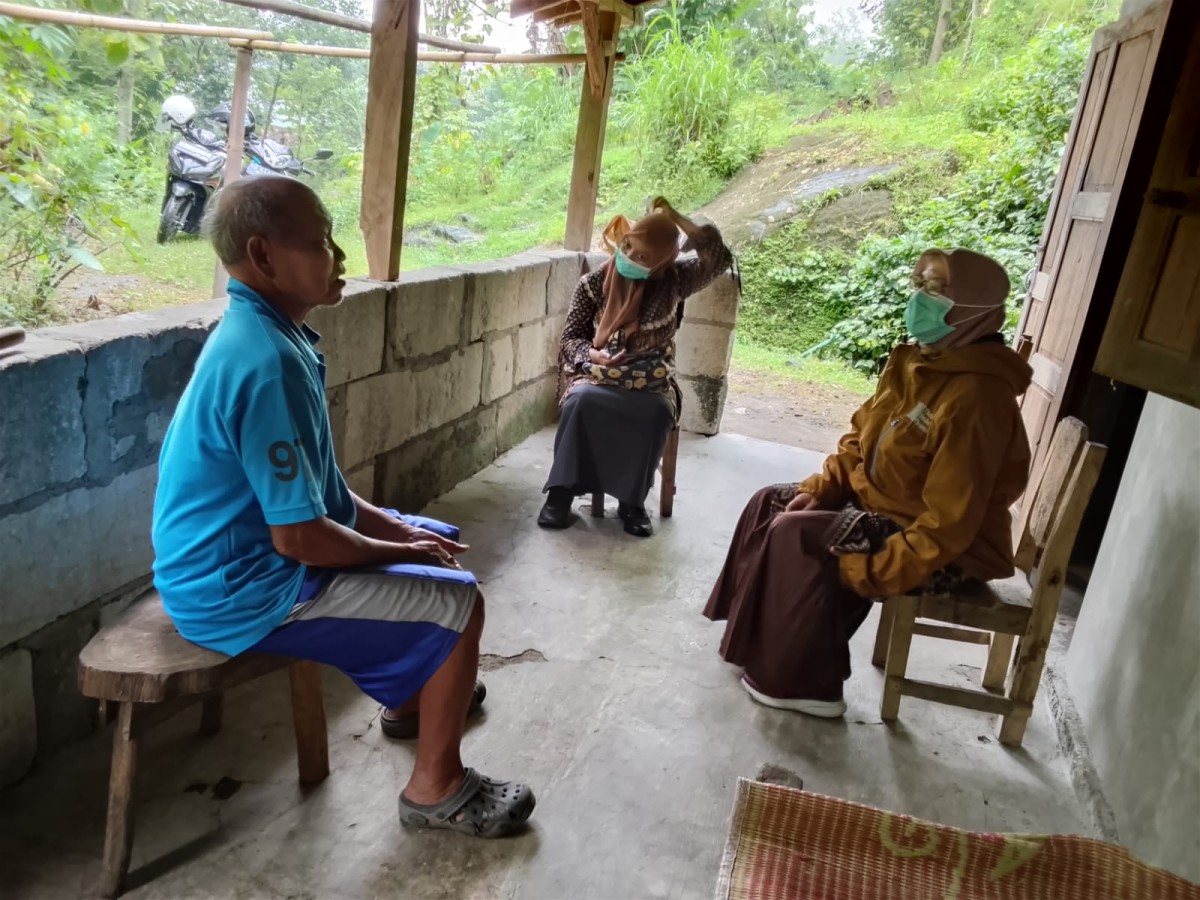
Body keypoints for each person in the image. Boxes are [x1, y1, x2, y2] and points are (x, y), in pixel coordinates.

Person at [151, 175, 534, 837]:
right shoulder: (266, 360)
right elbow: (300, 539)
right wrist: (398, 549)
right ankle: (435, 789)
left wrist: (405, 535)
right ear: (263, 256)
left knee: (433, 535)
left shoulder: (272, 334)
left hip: (243, 563)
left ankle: (414, 700)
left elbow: (325, 492)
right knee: (460, 600)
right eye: (320, 240)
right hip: (241, 588)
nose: (341, 255)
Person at [703, 248, 1033, 718]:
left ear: (975, 308)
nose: (920, 297)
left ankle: (807, 685)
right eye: (918, 283)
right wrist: (818, 490)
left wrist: (869, 572)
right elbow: (858, 443)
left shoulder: (978, 398)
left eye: (937, 289)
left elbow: (948, 525)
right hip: (881, 509)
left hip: (945, 549)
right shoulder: (913, 363)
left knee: (800, 537)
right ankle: (755, 645)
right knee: (772, 504)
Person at [538, 198, 733, 537]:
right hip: (594, 374)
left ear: (661, 262)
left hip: (650, 381)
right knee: (581, 402)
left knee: (656, 411)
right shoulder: (593, 285)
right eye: (627, 247)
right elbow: (569, 340)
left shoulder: (674, 281)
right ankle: (560, 493)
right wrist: (593, 356)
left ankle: (632, 502)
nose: (629, 259)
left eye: (643, 257)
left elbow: (718, 258)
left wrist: (674, 216)